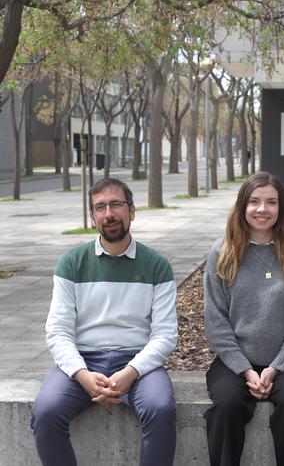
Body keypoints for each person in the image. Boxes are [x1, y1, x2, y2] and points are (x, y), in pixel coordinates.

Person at [31, 178, 178, 466]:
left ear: (132, 211)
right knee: (46, 411)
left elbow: (165, 334)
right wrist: (81, 374)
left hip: (138, 364)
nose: (108, 213)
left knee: (160, 409)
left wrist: (131, 372)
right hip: (83, 361)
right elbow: (58, 331)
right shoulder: (71, 263)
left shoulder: (157, 265)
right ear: (93, 217)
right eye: (100, 207)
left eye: (116, 204)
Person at [203, 171, 284, 466]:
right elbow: (216, 320)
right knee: (226, 407)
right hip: (233, 363)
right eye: (254, 202)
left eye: (271, 202)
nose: (262, 209)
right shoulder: (223, 252)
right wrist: (245, 370)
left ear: (281, 208)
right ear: (242, 207)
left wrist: (276, 367)